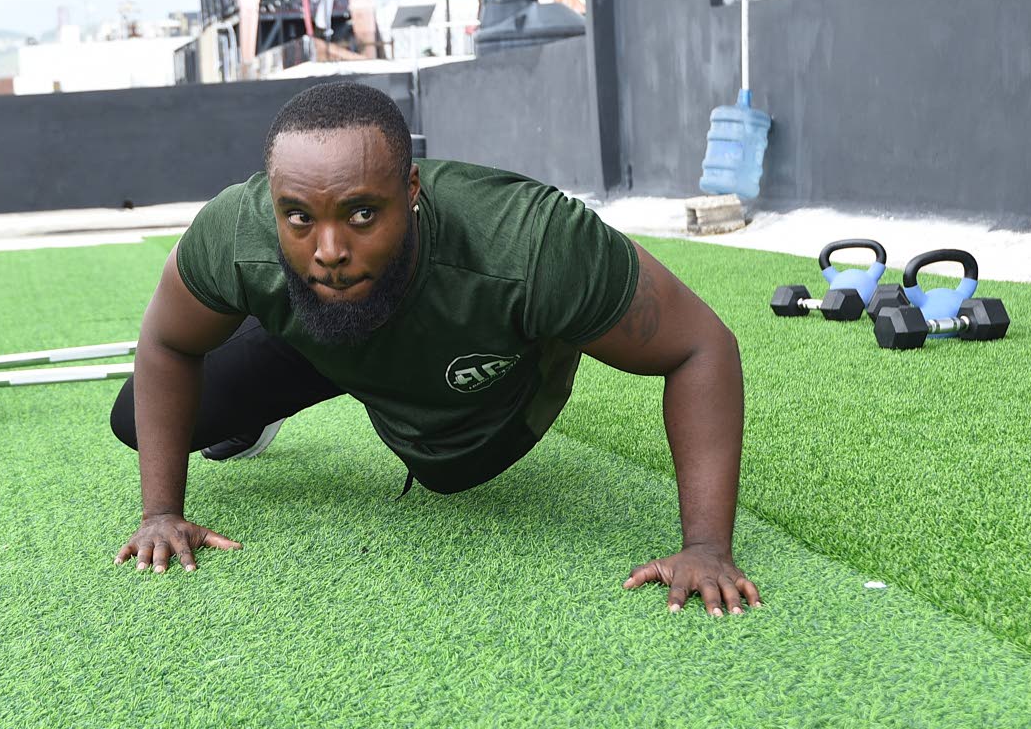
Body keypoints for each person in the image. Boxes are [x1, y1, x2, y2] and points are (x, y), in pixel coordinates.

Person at [110, 82, 761, 616]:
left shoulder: (534, 243)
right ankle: (284, 397)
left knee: (449, 472)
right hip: (322, 335)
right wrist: (161, 511)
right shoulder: (238, 231)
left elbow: (700, 346)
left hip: (472, 368)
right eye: (300, 217)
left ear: (412, 192)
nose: (329, 249)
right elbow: (167, 343)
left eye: (363, 213)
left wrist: (706, 547)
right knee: (137, 418)